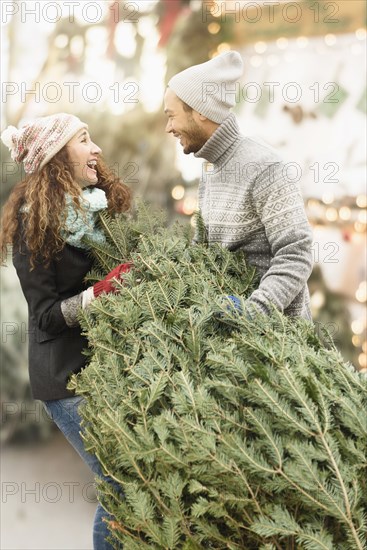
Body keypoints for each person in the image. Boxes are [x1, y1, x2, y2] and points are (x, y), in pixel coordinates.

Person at [0, 113, 131, 549]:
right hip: (64, 379)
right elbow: (46, 317)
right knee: (119, 486)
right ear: (56, 158)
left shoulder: (91, 212)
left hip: (97, 365)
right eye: (83, 139)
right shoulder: (32, 226)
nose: (96, 149)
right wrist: (101, 293)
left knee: (129, 483)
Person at [164, 51, 313, 320]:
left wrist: (251, 313)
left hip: (275, 344)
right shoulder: (211, 165)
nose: (168, 127)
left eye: (171, 116)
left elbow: (296, 252)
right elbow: (207, 244)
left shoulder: (265, 167)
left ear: (199, 111)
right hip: (227, 341)